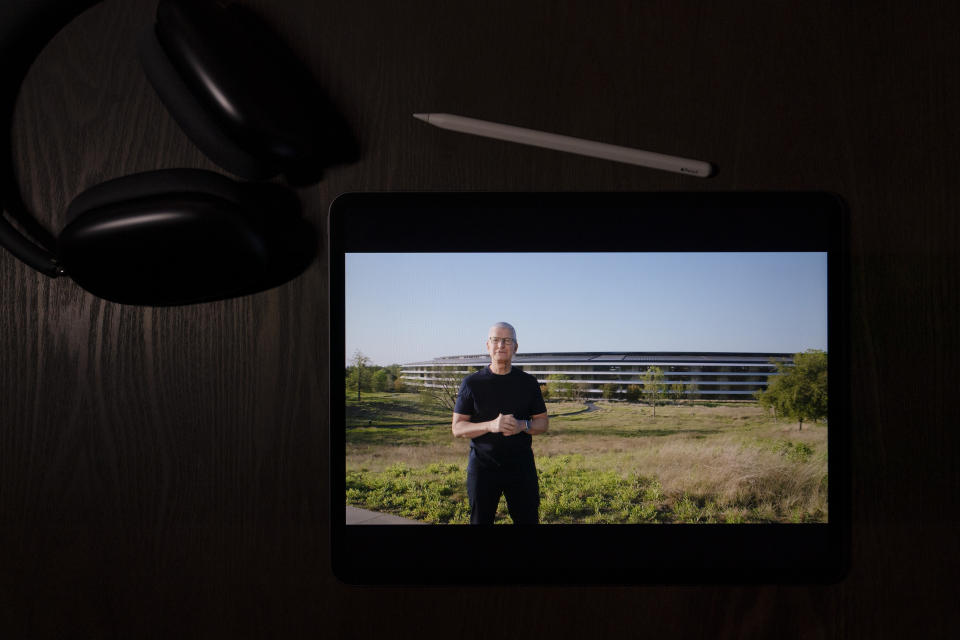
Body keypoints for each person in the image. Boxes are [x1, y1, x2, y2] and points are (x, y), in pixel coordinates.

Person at [452, 322, 549, 524]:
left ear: (515, 347)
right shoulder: (471, 383)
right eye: (496, 340)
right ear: (487, 345)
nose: (501, 345)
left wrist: (523, 425)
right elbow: (458, 428)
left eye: (507, 340)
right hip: (483, 467)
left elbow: (542, 423)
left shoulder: (529, 383)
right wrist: (490, 425)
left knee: (528, 520)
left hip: (521, 467)